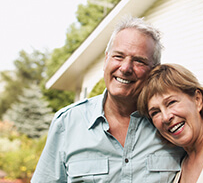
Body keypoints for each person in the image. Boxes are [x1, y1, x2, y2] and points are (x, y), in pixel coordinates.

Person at [31, 17, 184, 183]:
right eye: (118, 56)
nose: (125, 68)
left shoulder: (171, 125)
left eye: (139, 61)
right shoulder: (67, 123)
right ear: (106, 60)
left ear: (154, 70)